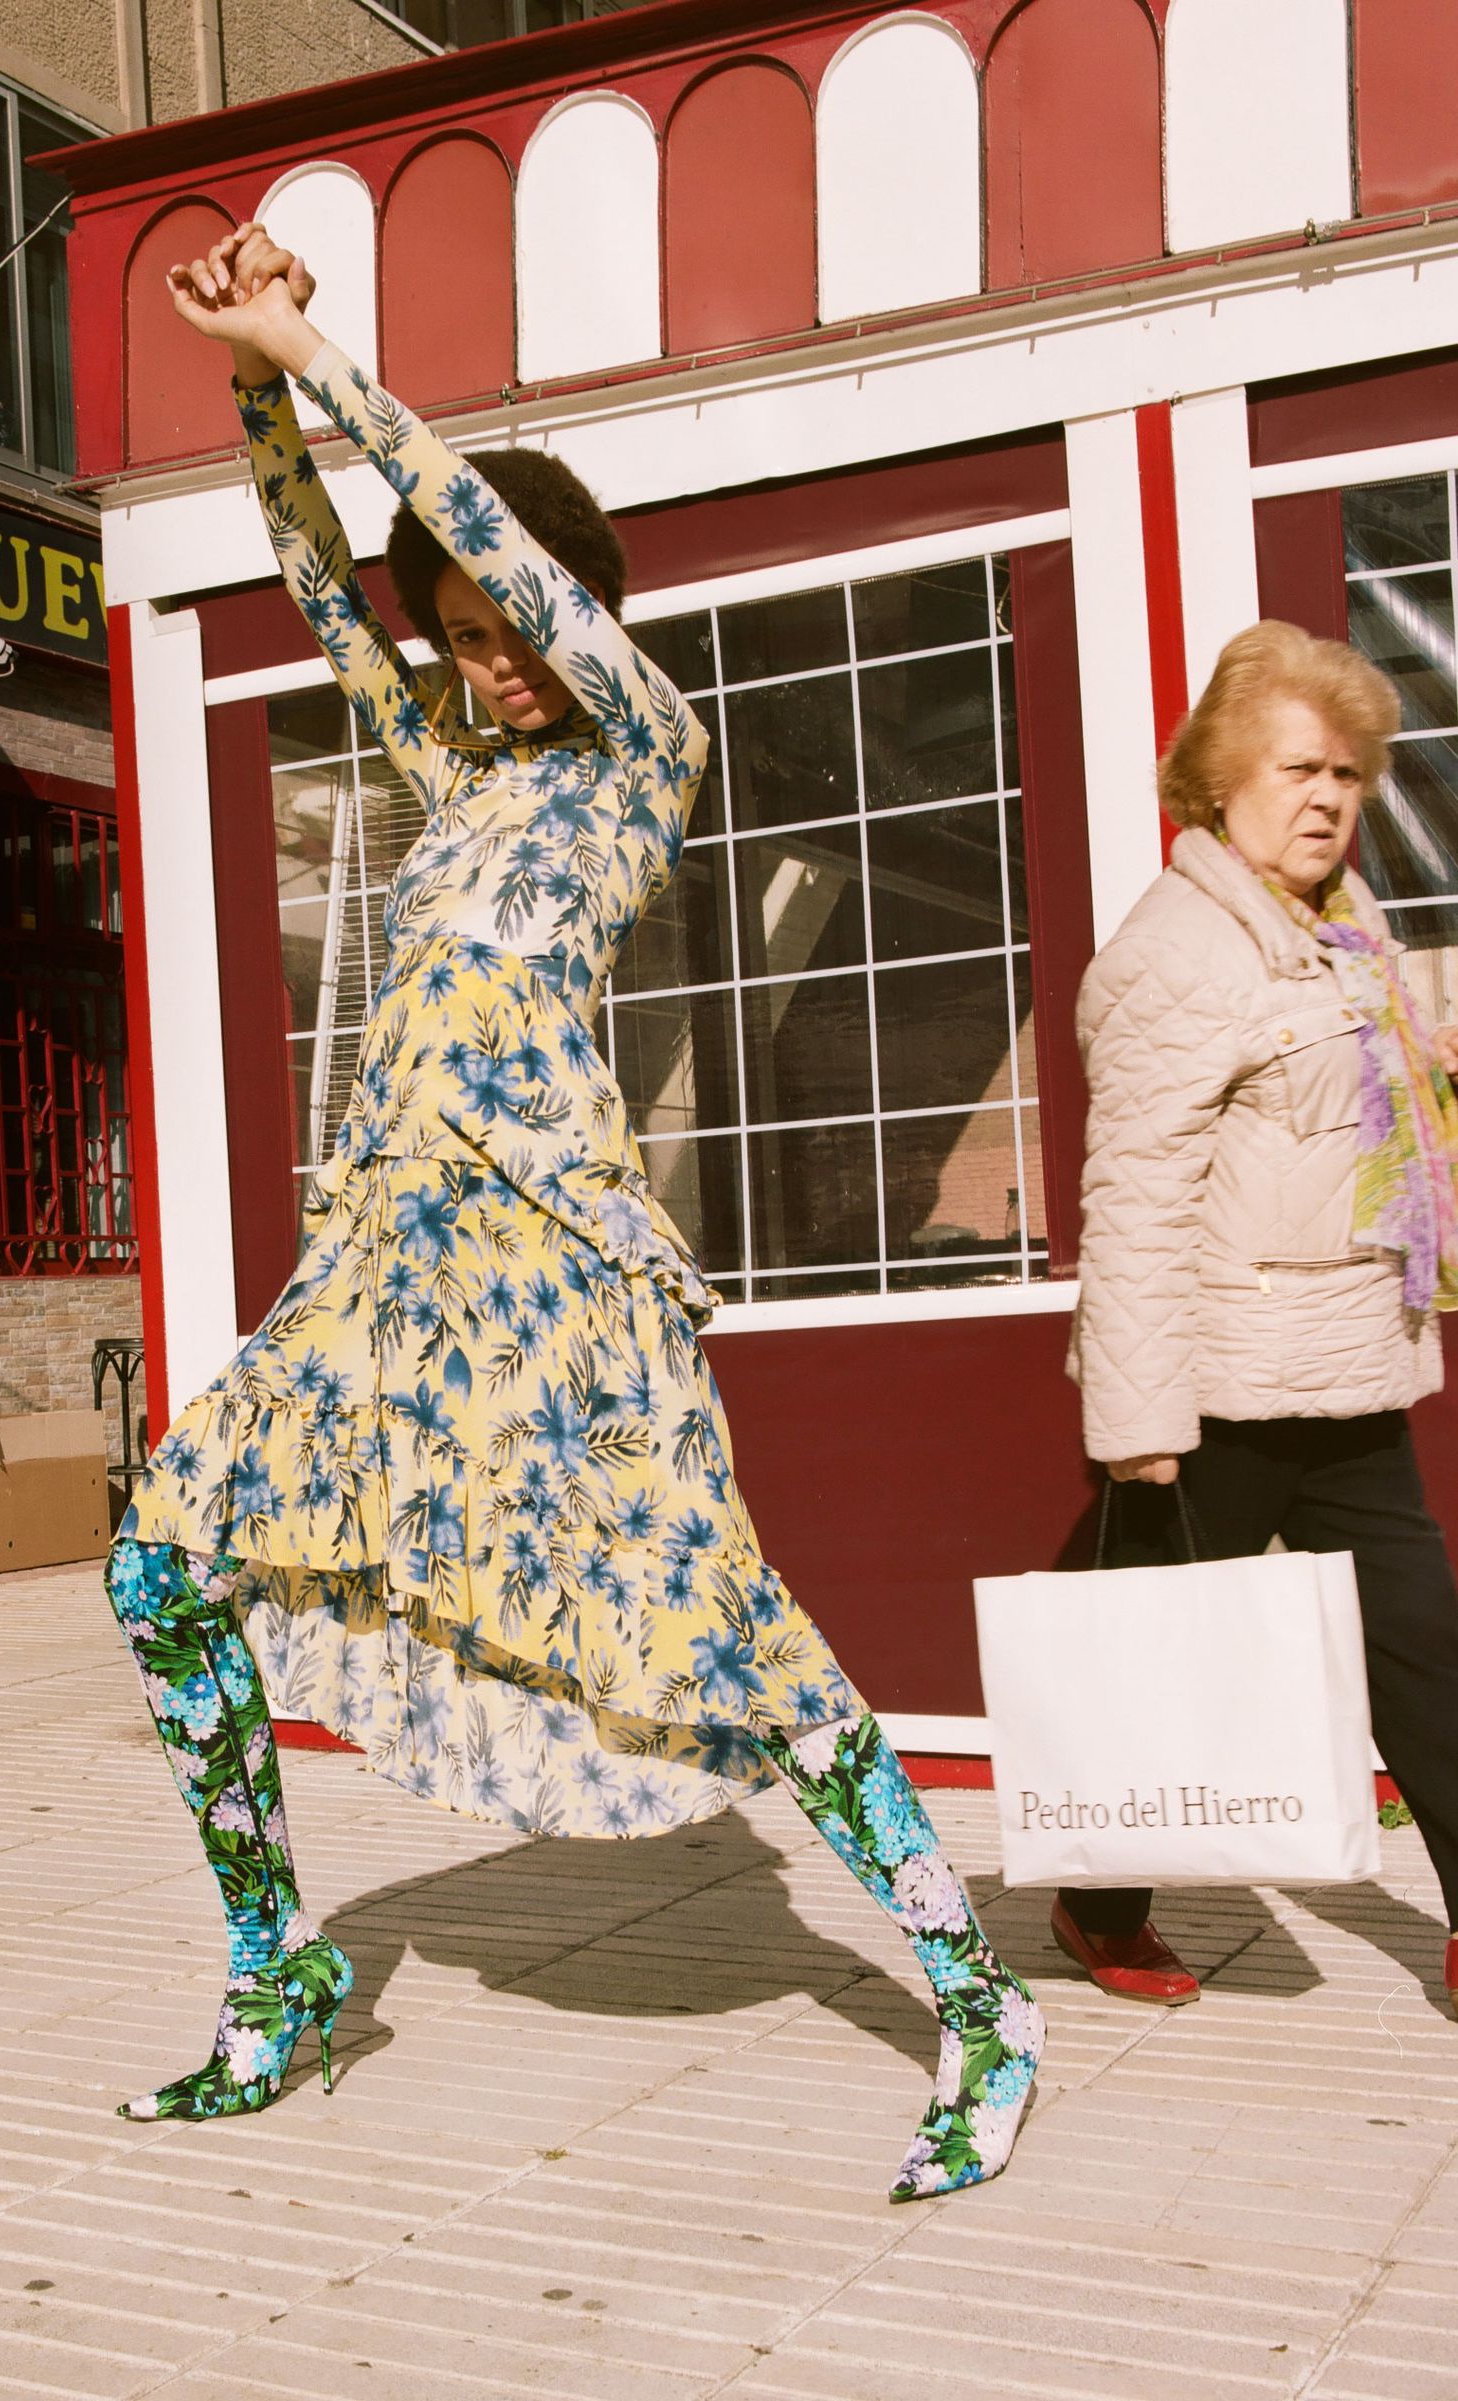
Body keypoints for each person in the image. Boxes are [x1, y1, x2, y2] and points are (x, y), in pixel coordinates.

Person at [100, 223, 1045, 2202]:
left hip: (563, 1288)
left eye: (508, 620)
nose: (484, 653)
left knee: (746, 1660)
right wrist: (257, 396)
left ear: (578, 610)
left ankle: (979, 1997)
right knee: (159, 1559)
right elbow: (320, 587)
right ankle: (278, 1978)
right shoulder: (450, 783)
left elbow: (503, 558)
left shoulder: (641, 752)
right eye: (458, 630)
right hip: (383, 1271)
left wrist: (333, 355)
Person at [1066, 618, 1458, 2013]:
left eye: (1349, 774)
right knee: (1154, 1668)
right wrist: (1136, 1426)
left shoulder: (1344, 933)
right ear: (1221, 781)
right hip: (1220, 1388)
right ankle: (1097, 1899)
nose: (1329, 798)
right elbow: (1136, 1200)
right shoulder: (1182, 954)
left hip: (1347, 1370)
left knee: (1425, 1647)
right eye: (1299, 768)